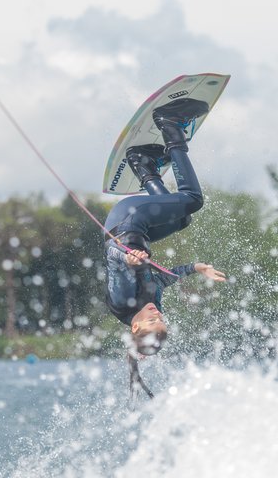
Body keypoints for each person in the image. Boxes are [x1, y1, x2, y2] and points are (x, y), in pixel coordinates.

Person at [104, 97, 227, 363]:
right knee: (183, 219)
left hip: (125, 222)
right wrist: (196, 268)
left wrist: (126, 258)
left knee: (193, 200)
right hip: (141, 228)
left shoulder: (122, 302)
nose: (157, 314)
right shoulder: (152, 304)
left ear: (135, 327)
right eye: (161, 319)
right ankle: (143, 164)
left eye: (152, 320)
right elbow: (162, 279)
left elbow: (112, 256)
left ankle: (169, 123)